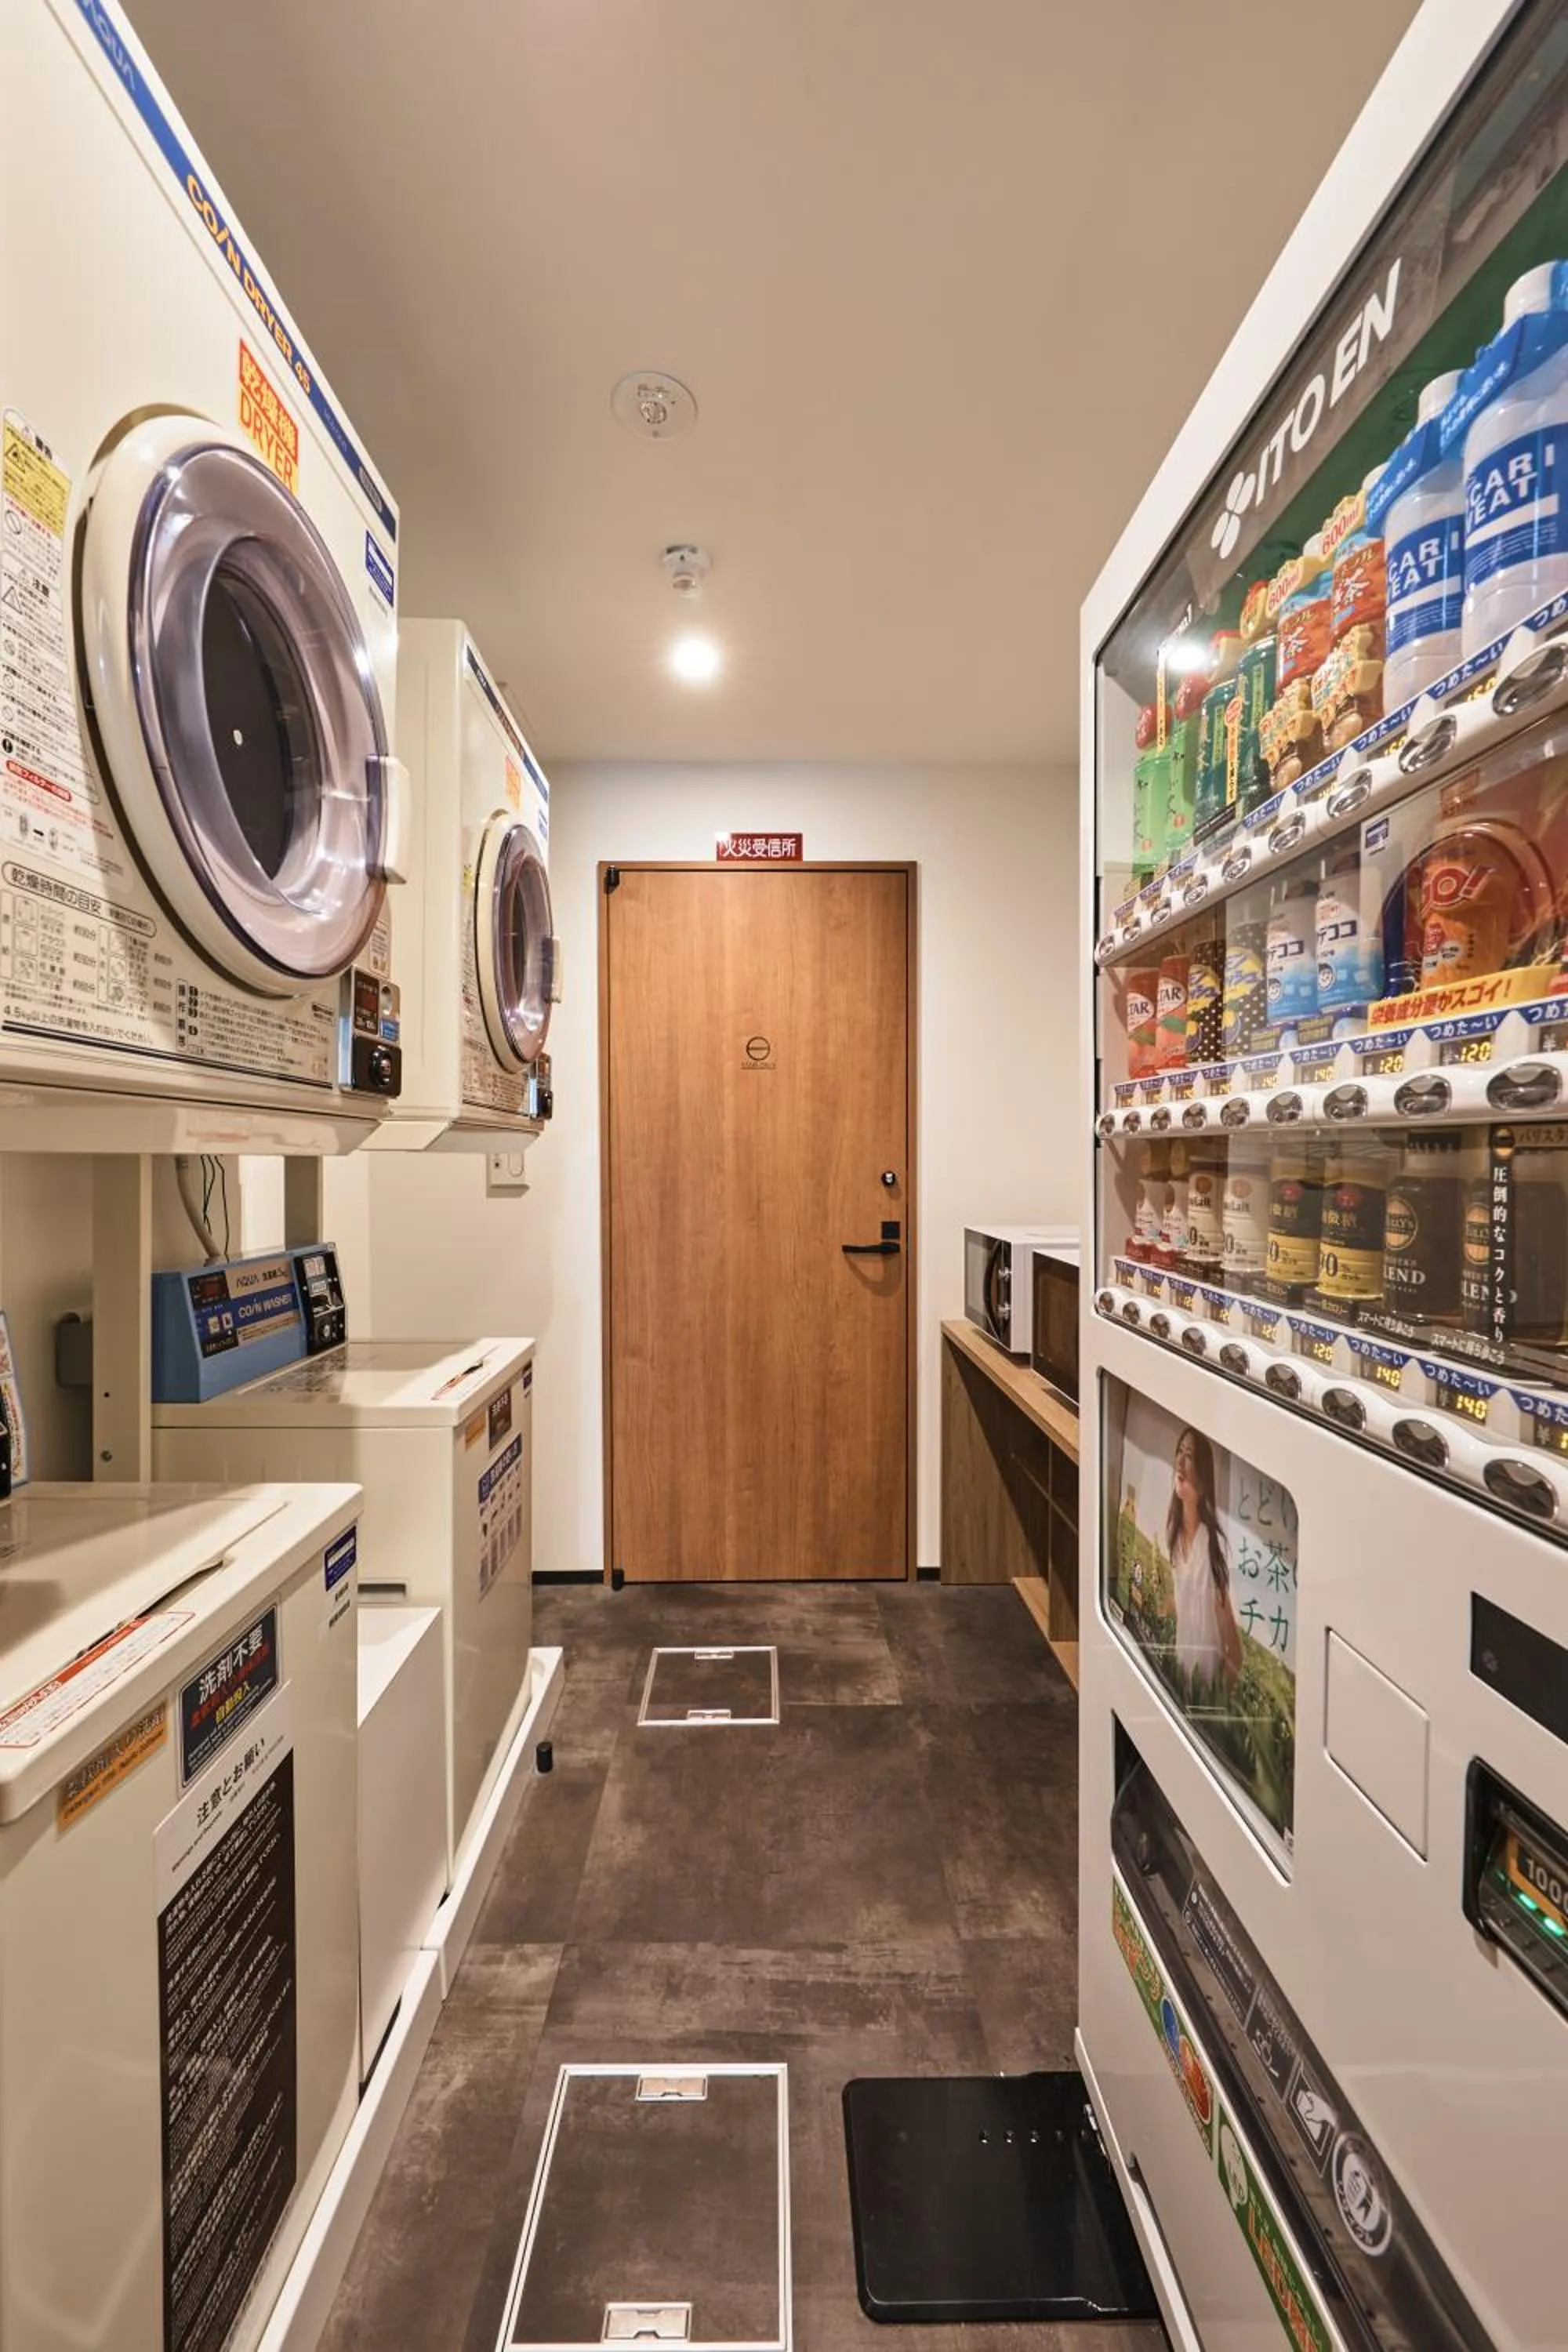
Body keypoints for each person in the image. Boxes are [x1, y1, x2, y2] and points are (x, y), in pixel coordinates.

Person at [1166, 1427, 1242, 1686]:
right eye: (1180, 1452)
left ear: (1203, 1474)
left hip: (1202, 1688)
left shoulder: (1211, 1545)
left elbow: (1235, 1653)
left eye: (1189, 1456)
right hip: (1179, 1684)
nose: (1180, 1461)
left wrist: (1212, 1701)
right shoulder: (1176, 1538)